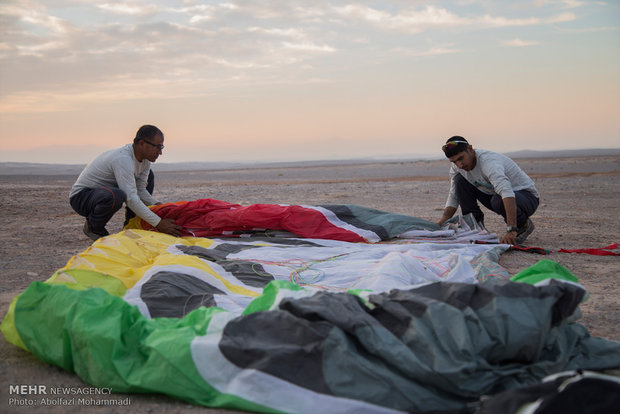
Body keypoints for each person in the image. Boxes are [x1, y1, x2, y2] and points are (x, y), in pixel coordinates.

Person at [69, 125, 183, 240]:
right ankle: (94, 227)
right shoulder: (123, 159)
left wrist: (161, 207)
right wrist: (159, 223)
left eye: (161, 147)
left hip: (105, 193)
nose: (160, 152)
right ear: (142, 143)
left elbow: (141, 190)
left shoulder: (145, 161)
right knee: (116, 195)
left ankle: (131, 225)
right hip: (82, 197)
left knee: (148, 177)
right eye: (157, 147)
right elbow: (130, 198)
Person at [437, 136, 539, 245]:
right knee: (460, 180)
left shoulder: (489, 162)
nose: (459, 165)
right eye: (454, 161)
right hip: (495, 195)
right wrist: (442, 221)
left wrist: (511, 229)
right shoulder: (457, 168)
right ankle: (474, 226)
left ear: (470, 149)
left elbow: (506, 192)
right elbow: (454, 195)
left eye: (461, 158)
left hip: (526, 197)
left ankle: (522, 225)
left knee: (497, 200)